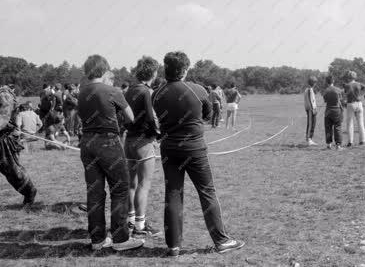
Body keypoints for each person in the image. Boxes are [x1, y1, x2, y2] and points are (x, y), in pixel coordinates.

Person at [152, 51, 244, 256]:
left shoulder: (156, 93)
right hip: (194, 148)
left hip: (169, 148)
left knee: (173, 193)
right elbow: (208, 115)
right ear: (184, 69)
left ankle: (173, 245)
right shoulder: (197, 90)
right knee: (207, 191)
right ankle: (221, 241)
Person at [77, 54, 144, 251]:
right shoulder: (112, 90)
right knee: (120, 188)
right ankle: (120, 238)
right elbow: (131, 117)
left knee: (95, 192)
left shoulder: (81, 92)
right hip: (108, 142)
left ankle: (97, 239)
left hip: (86, 142)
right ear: (105, 70)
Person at [0, 68, 37, 217]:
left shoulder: (4, 97)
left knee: (14, 174)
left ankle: (30, 192)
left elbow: (0, 121)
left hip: (2, 142)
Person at [124, 56, 162, 237]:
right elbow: (150, 117)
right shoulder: (147, 91)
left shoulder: (129, 90)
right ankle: (140, 226)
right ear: (153, 73)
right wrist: (158, 136)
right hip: (143, 142)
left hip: (128, 141)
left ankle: (130, 221)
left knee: (131, 184)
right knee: (144, 185)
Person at [343, 71, 365, 147]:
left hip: (351, 104)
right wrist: (362, 93)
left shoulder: (347, 85)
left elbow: (345, 95)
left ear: (349, 77)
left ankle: (350, 142)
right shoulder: (359, 84)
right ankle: (362, 141)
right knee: (361, 123)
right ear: (355, 77)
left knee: (350, 123)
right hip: (359, 103)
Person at [323, 75, 344, 150]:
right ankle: (338, 145)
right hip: (336, 110)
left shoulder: (325, 90)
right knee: (337, 127)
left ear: (326, 82)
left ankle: (328, 144)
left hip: (328, 111)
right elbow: (340, 100)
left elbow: (325, 100)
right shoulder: (338, 90)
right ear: (333, 81)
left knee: (328, 128)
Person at [303, 77, 318, 145]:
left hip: (312, 109)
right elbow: (310, 101)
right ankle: (309, 139)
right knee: (310, 124)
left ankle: (310, 139)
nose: (315, 84)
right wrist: (313, 109)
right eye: (315, 82)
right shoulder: (309, 90)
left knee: (313, 124)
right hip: (310, 110)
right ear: (312, 83)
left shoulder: (310, 89)